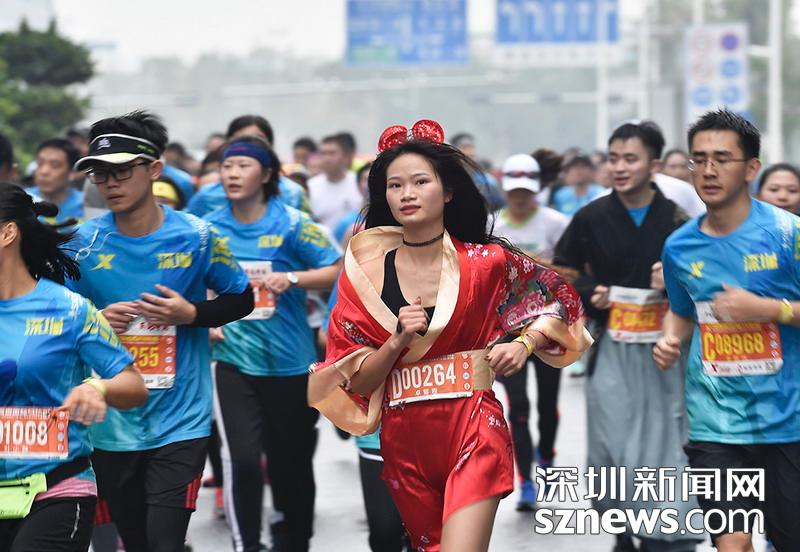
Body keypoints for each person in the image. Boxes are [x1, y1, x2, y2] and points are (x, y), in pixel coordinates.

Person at [308, 120, 592, 551]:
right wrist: (396, 341)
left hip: (474, 427)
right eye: (395, 185)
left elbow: (559, 302)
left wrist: (525, 343)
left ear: (448, 192)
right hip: (403, 441)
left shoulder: (487, 262)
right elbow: (358, 382)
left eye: (420, 181)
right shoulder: (363, 274)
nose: (407, 193)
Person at [66, 110, 254, 552]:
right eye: (99, 173)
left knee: (164, 542)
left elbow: (241, 299)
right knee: (137, 541)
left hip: (181, 420)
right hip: (111, 426)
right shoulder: (80, 244)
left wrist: (191, 313)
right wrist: (95, 319)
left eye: (121, 171)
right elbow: (55, 319)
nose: (109, 183)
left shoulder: (198, 237)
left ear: (154, 169)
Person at [655, 109, 800, 552]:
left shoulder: (788, 234)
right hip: (715, 421)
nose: (708, 170)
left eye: (722, 159)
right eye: (699, 159)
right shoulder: (679, 246)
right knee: (731, 544)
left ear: (751, 168)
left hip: (789, 421)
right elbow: (682, 310)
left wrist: (768, 309)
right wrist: (670, 338)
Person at [554, 121, 701, 552]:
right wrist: (589, 292)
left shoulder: (679, 221)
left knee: (664, 439)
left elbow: (704, 280)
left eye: (631, 159)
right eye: (614, 158)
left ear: (654, 165)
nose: (619, 167)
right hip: (613, 346)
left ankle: (667, 529)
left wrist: (673, 281)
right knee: (612, 439)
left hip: (666, 348)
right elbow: (561, 274)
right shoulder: (590, 217)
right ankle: (623, 524)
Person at [205, 135, 341, 552]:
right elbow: (191, 276)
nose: (232, 174)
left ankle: (295, 539)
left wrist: (293, 278)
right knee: (243, 459)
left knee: (291, 463)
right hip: (232, 360)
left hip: (290, 362)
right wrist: (206, 314)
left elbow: (337, 268)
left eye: (243, 166)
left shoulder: (292, 224)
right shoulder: (207, 227)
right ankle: (247, 545)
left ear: (265, 175)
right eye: (227, 167)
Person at [0, 182, 147, 551]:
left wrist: (97, 388)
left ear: (7, 233)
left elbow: (133, 384)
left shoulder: (70, 309)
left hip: (56, 489)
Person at [492, 153, 570, 511]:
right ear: (504, 188)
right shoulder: (491, 224)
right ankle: (525, 480)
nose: (520, 197)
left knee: (547, 404)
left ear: (537, 188)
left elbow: (572, 271)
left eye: (526, 190)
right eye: (514, 190)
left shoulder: (555, 224)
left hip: (550, 327)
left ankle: (547, 460)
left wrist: (537, 266)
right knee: (519, 407)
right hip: (508, 330)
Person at [187, 115, 310, 217]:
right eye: (241, 140)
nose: (249, 146)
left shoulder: (292, 194)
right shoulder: (207, 197)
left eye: (258, 139)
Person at [306, 133, 362, 230]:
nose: (327, 158)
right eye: (323, 153)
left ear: (345, 156)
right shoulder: (310, 186)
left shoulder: (359, 182)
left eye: (332, 153)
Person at [29, 138, 84, 230]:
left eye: (55, 165)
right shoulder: (21, 200)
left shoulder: (85, 204)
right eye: (40, 163)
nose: (44, 171)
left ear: (71, 172)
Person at [449, 132, 504, 211]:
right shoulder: (448, 178)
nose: (469, 152)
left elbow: (501, 207)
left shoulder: (487, 181)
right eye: (464, 148)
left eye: (471, 147)